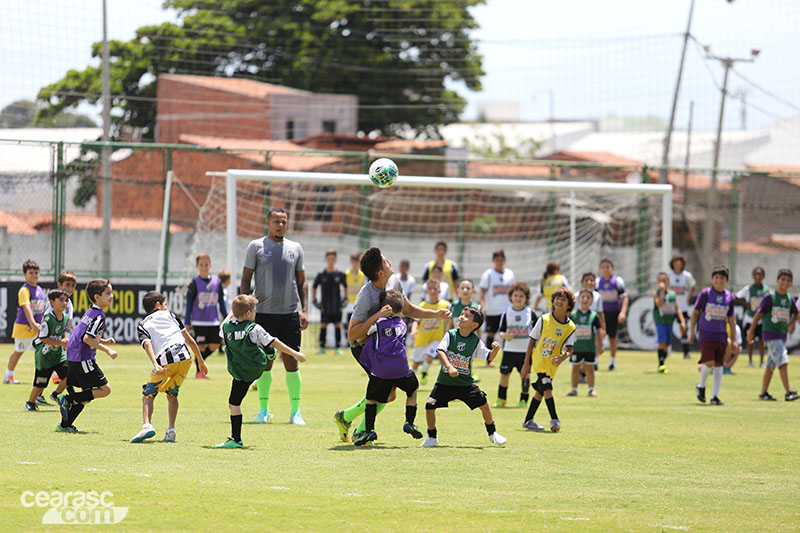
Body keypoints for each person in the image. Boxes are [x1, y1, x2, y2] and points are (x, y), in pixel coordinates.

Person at [332, 247, 450, 443]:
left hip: (384, 348)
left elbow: (408, 308)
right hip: (365, 349)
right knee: (385, 390)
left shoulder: (394, 282)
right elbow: (352, 334)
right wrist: (376, 318)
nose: (390, 262)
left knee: (389, 393)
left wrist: (436, 314)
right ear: (380, 272)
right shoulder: (365, 296)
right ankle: (360, 430)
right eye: (386, 261)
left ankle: (346, 417)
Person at [240, 207, 308, 425]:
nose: (281, 225)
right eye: (277, 221)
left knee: (291, 360)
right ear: (267, 222)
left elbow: (302, 282)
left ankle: (295, 412)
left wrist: (304, 310)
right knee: (264, 363)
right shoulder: (256, 246)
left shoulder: (295, 248)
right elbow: (245, 279)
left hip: (289, 314)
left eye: (284, 221)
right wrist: (246, 307)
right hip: (264, 316)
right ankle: (263, 411)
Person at [217, 295, 307, 448]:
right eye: (254, 311)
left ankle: (236, 439)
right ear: (247, 313)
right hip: (256, 368)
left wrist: (231, 313)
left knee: (234, 404)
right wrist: (295, 353)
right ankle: (268, 352)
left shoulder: (226, 328)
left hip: (239, 372)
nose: (255, 313)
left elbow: (222, 326)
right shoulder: (254, 328)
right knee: (267, 344)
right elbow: (275, 341)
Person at [421, 307, 507, 447]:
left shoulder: (475, 341)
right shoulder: (451, 334)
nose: (461, 317)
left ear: (474, 325)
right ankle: (432, 437)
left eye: (466, 316)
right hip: (445, 382)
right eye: (461, 314)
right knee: (429, 406)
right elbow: (440, 351)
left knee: (484, 404)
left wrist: (495, 350)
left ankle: (493, 434)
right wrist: (449, 366)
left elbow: (488, 356)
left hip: (465, 384)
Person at [130, 291, 207, 444]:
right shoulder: (171, 316)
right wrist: (201, 361)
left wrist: (155, 364)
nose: (166, 307)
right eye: (165, 304)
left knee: (148, 394)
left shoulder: (143, 324)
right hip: (186, 358)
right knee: (172, 393)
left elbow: (147, 344)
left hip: (166, 359)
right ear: (158, 305)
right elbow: (190, 339)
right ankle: (171, 431)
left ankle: (147, 426)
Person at [354, 290, 423, 446]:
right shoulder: (403, 325)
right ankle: (409, 422)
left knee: (371, 399)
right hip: (402, 369)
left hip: (382, 371)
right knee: (412, 390)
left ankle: (369, 430)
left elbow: (361, 337)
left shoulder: (377, 324)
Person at [57, 279, 118, 433]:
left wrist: (103, 340)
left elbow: (85, 334)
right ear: (97, 297)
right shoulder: (99, 316)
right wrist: (107, 350)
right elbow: (87, 339)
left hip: (74, 356)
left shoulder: (91, 311)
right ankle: (67, 399)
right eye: (108, 293)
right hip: (83, 358)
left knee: (86, 395)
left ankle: (64, 425)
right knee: (105, 390)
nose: (112, 296)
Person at [521, 288, 576, 432]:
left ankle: (528, 420)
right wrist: (526, 364)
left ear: (569, 305)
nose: (559, 301)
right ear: (552, 301)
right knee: (547, 387)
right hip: (539, 361)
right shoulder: (544, 319)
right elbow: (532, 341)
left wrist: (563, 357)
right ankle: (554, 419)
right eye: (557, 298)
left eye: (563, 299)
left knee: (540, 391)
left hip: (552, 364)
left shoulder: (570, 327)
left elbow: (570, 348)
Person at [747, 269, 800, 402]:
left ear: (791, 283)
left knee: (771, 364)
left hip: (781, 335)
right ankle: (789, 392)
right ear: (777, 281)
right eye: (782, 279)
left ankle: (763, 392)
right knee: (783, 360)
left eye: (788, 280)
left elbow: (796, 313)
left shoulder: (789, 298)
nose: (785, 282)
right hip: (770, 334)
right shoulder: (770, 297)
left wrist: (792, 323)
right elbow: (758, 315)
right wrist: (751, 332)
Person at [689, 266, 736, 406]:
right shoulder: (706, 294)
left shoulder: (729, 297)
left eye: (722, 278)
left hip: (721, 335)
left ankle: (715, 396)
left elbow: (731, 320)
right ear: (712, 279)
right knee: (708, 362)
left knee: (719, 365)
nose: (719, 280)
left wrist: (733, 339)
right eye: (716, 277)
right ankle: (701, 386)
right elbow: (695, 313)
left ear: (726, 280)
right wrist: (691, 332)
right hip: (706, 333)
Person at [24, 289, 70, 411]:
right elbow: (43, 337)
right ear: (52, 302)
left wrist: (64, 343)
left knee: (69, 375)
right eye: (61, 300)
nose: (64, 303)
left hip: (58, 355)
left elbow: (61, 334)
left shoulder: (65, 317)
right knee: (41, 383)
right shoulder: (48, 319)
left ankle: (55, 394)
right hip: (44, 356)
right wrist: (60, 342)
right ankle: (30, 402)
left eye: (66, 300)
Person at [185, 253, 227, 378]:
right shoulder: (194, 283)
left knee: (215, 344)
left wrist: (225, 316)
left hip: (213, 320)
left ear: (210, 265)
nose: (204, 267)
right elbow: (189, 303)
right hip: (199, 321)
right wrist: (187, 321)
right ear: (197, 266)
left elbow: (221, 301)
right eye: (201, 264)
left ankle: (199, 359)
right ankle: (199, 372)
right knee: (201, 346)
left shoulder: (216, 281)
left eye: (206, 264)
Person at [495, 281, 537, 407]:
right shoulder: (506, 313)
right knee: (504, 375)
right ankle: (501, 399)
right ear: (511, 297)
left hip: (525, 352)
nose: (518, 298)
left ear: (526, 298)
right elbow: (501, 332)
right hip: (509, 350)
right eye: (515, 295)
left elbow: (537, 332)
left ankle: (523, 399)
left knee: (525, 375)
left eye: (521, 296)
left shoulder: (531, 313)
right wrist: (505, 336)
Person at [4, 259, 44, 385]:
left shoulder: (39, 289)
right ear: (25, 275)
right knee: (18, 351)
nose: (34, 275)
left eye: (36, 272)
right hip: (24, 327)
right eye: (31, 272)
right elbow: (26, 307)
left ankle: (53, 376)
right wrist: (33, 324)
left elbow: (40, 310)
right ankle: (8, 376)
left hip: (37, 328)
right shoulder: (24, 290)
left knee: (44, 351)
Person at [410, 279, 450, 385]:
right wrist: (414, 330)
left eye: (435, 288)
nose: (432, 291)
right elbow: (416, 321)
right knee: (415, 364)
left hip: (436, 338)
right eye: (430, 289)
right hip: (422, 339)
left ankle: (424, 372)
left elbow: (448, 321)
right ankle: (410, 382)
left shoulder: (445, 305)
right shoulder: (422, 305)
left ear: (439, 290)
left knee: (429, 356)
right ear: (426, 291)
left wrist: (447, 333)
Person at [479, 249, 516, 364]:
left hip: (506, 310)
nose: (499, 262)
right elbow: (482, 292)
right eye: (497, 260)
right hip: (492, 310)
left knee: (506, 334)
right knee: (490, 333)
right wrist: (483, 306)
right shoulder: (488, 274)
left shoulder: (510, 274)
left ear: (504, 261)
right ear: (493, 261)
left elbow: (513, 291)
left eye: (501, 260)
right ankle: (489, 359)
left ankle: (507, 359)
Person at [567, 289, 604, 397]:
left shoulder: (594, 316)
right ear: (578, 299)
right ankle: (574, 389)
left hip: (589, 347)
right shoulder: (573, 315)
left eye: (588, 297)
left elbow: (598, 331)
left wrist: (600, 346)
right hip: (576, 347)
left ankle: (591, 389)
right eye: (583, 297)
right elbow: (568, 331)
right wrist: (566, 344)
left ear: (592, 301)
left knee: (590, 369)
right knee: (575, 368)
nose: (585, 299)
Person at [45, 270, 77, 386]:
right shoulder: (54, 302)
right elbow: (48, 319)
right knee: (47, 367)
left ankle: (62, 392)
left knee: (60, 365)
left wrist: (70, 336)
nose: (70, 288)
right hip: (52, 338)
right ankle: (39, 395)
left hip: (62, 340)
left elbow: (68, 323)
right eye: (67, 285)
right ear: (59, 285)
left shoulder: (69, 304)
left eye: (73, 286)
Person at [312, 249, 347, 355]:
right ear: (325, 259)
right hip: (325, 306)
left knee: (337, 325)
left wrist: (345, 299)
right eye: (329, 259)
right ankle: (322, 347)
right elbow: (314, 287)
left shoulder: (339, 274)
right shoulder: (321, 274)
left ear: (335, 260)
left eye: (333, 259)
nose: (331, 261)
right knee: (323, 326)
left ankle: (337, 348)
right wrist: (314, 300)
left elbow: (345, 287)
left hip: (336, 306)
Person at [597, 258, 628, 371]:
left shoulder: (617, 281)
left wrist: (623, 312)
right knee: (598, 336)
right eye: (603, 267)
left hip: (613, 313)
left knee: (612, 338)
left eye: (608, 267)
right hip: (601, 314)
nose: (605, 269)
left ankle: (612, 362)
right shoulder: (597, 282)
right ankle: (595, 360)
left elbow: (624, 298)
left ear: (612, 268)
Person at [653, 272, 686, 373]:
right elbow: (659, 304)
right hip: (660, 321)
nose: (663, 282)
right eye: (661, 280)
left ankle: (662, 360)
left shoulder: (672, 294)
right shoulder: (657, 293)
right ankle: (661, 364)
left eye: (665, 280)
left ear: (668, 281)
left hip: (669, 321)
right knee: (661, 342)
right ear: (657, 282)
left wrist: (682, 321)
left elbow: (677, 308)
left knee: (667, 343)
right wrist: (662, 292)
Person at [735, 266, 767, 368]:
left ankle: (762, 361)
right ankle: (750, 361)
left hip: (762, 320)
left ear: (763, 276)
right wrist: (745, 303)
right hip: (750, 318)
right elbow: (736, 296)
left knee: (762, 341)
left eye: (760, 274)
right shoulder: (748, 289)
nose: (758, 276)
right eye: (756, 274)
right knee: (750, 340)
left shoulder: (766, 290)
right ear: (753, 276)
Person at [668, 254, 697, 360]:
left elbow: (693, 286)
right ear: (673, 264)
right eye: (676, 263)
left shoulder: (686, 276)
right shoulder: (669, 275)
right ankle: (665, 351)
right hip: (670, 307)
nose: (678, 265)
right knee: (667, 328)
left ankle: (686, 353)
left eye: (680, 263)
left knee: (684, 328)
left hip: (683, 307)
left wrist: (688, 298)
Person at [344, 252, 366, 341]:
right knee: (348, 322)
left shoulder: (362, 275)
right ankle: (348, 340)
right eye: (353, 261)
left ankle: (357, 340)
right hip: (349, 302)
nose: (355, 263)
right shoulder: (347, 274)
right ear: (351, 262)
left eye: (357, 261)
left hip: (358, 303)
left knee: (358, 322)